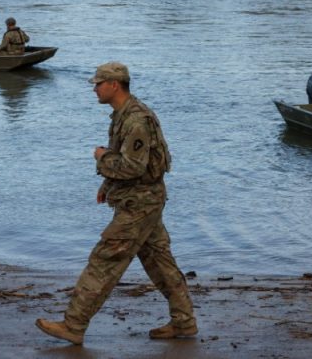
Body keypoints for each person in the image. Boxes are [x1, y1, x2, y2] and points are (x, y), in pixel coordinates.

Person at [36, 62, 197, 346]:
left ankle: (73, 325)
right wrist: (107, 184)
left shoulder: (136, 119)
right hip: (141, 200)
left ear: (114, 85)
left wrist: (101, 157)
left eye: (98, 84)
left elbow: (132, 167)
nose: (94, 89)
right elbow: (128, 163)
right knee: (159, 262)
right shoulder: (123, 115)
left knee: (104, 260)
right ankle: (184, 322)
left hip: (140, 204)